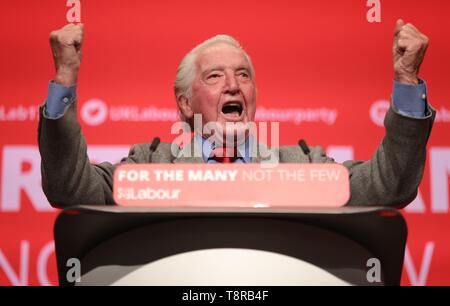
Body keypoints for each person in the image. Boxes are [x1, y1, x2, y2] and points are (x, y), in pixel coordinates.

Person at [39, 19, 435, 208]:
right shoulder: (149, 162)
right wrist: (65, 78)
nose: (233, 85)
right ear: (185, 104)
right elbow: (69, 190)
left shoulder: (300, 162)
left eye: (243, 75)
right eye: (215, 76)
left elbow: (389, 186)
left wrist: (405, 80)